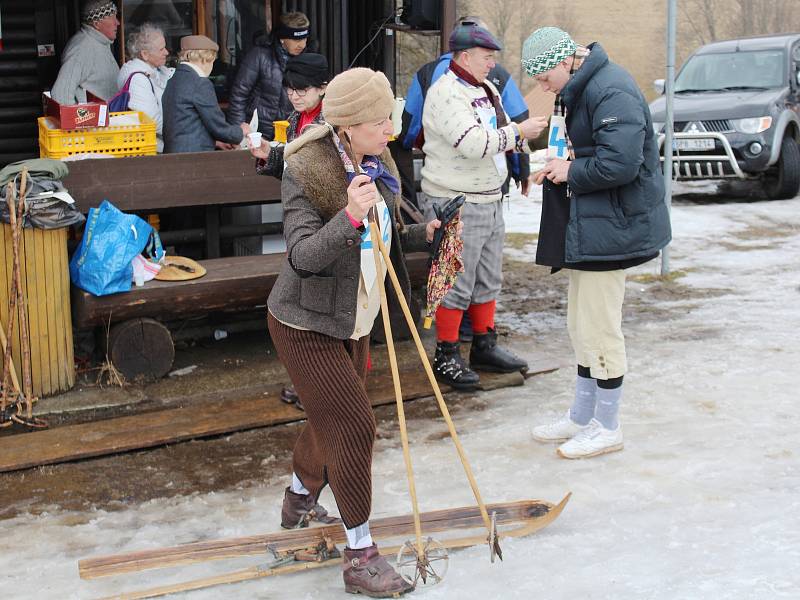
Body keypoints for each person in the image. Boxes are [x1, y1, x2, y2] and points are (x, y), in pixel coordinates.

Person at [267, 67, 445, 597]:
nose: (390, 127)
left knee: (330, 414)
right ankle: (360, 555)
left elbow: (382, 231)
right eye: (378, 121)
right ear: (346, 127)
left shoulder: (378, 156)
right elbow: (301, 258)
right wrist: (346, 216)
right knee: (354, 425)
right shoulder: (305, 168)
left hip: (354, 319)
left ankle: (300, 497)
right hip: (305, 322)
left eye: (389, 115)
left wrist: (423, 233)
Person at [522, 27, 671, 458]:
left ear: (565, 60)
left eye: (543, 75)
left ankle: (608, 425)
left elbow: (621, 163)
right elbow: (591, 149)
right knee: (581, 325)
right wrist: (558, 164)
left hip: (614, 229)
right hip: (592, 226)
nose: (541, 85)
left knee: (601, 329)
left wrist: (571, 171)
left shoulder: (612, 89)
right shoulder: (583, 86)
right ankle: (581, 415)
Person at [419, 22, 548, 390]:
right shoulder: (445, 92)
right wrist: (520, 133)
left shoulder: (486, 88)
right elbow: (474, 143)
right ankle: (446, 352)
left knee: (488, 277)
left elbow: (504, 133)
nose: (492, 64)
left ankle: (484, 343)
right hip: (456, 199)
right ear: (464, 57)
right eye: (486, 57)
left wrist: (537, 142)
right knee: (455, 279)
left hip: (490, 197)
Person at [401, 16, 531, 196]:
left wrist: (409, 146)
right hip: (486, 182)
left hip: (444, 177)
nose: (490, 62)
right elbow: (519, 118)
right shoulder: (498, 75)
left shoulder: (426, 72)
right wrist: (521, 170)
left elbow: (410, 125)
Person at [227, 11, 310, 140]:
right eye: (295, 39)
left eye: (304, 38)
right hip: (257, 133)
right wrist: (238, 129)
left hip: (292, 133)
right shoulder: (259, 55)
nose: (301, 44)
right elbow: (239, 94)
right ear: (282, 38)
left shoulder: (308, 59)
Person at [162, 35, 250, 153]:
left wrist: (216, 142)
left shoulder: (173, 81)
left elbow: (186, 125)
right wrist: (241, 131)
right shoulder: (200, 83)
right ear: (205, 59)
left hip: (173, 155)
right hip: (194, 159)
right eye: (212, 61)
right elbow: (218, 127)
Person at [250, 53, 329, 178]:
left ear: (322, 88)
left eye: (302, 90)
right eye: (290, 90)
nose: (294, 97)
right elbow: (291, 171)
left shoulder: (332, 122)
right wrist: (269, 154)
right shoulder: (294, 118)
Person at [117, 23, 174, 152]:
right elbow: (152, 122)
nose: (166, 52)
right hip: (153, 150)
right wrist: (185, 133)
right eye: (161, 49)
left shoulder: (156, 71)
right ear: (145, 54)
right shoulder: (137, 79)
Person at [50, 0, 120, 104]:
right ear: (96, 24)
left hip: (108, 118)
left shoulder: (101, 42)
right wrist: (83, 119)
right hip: (94, 119)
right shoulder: (82, 48)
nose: (118, 23)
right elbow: (60, 94)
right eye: (112, 18)